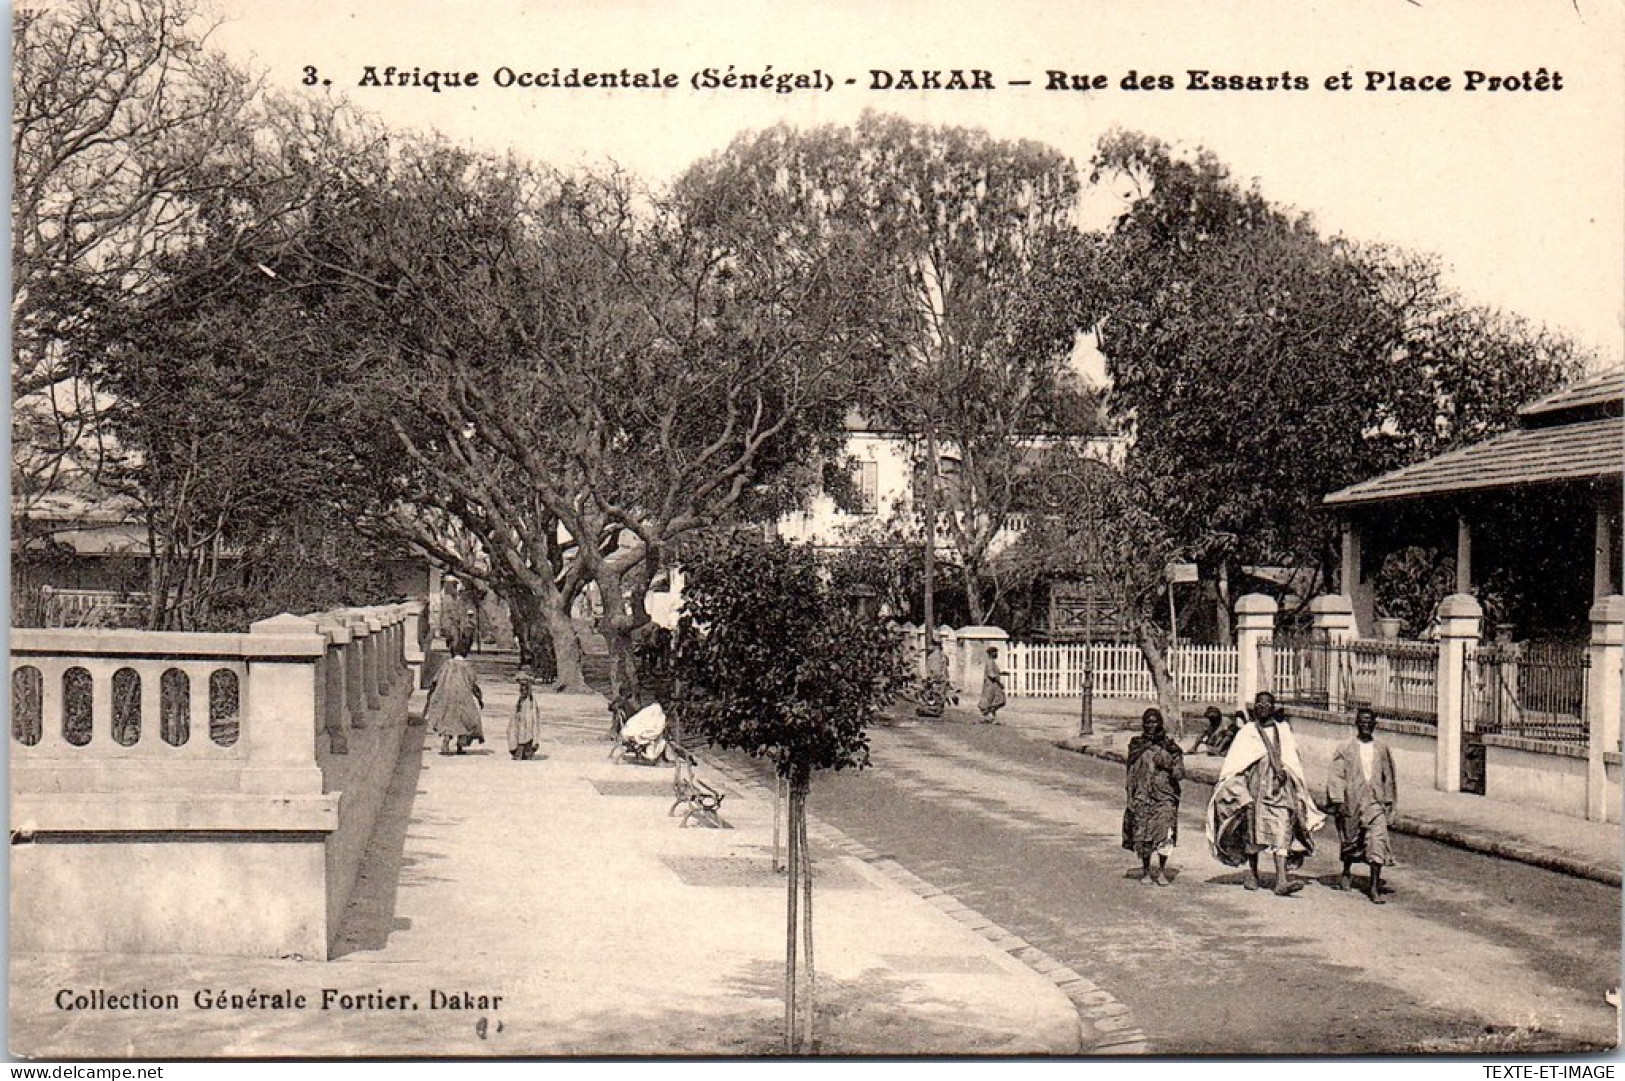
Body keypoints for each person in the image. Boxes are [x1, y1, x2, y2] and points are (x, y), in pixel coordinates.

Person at [1206, 692, 1326, 896]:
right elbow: (1235, 765)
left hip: (1280, 789)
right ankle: (1252, 873)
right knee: (1253, 831)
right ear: (1255, 708)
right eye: (1259, 704)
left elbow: (1293, 761)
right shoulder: (1247, 733)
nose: (1262, 707)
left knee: (1283, 828)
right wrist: (1240, 792)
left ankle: (1281, 880)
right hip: (1254, 788)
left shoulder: (1283, 731)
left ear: (1273, 707)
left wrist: (1287, 776)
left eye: (1267, 704)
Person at [1327, 707, 1398, 904]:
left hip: (1375, 802)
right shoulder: (1346, 747)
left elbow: (1388, 777)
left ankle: (1374, 887)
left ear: (1375, 724)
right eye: (1362, 721)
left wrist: (1389, 802)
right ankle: (1347, 870)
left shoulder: (1381, 748)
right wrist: (1338, 800)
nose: (1366, 725)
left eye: (1369, 721)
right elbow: (1336, 775)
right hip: (1352, 800)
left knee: (1378, 841)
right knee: (1351, 839)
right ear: (1356, 723)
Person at [1123, 708, 1185, 886]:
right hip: (1142, 796)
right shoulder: (1136, 746)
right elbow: (1130, 773)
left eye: (1154, 722)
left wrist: (1167, 763)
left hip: (1165, 796)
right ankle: (1146, 870)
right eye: (1148, 722)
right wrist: (1130, 797)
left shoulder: (1170, 747)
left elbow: (1180, 773)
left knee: (1164, 833)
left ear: (1160, 724)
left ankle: (1163, 870)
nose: (1151, 726)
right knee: (1143, 835)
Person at [426, 646, 485, 755]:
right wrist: (479, 698)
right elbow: (473, 684)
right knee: (464, 720)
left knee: (448, 719)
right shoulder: (467, 666)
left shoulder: (446, 665)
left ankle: (446, 741)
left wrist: (431, 695)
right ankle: (460, 746)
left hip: (447, 696)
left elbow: (435, 681)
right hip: (463, 696)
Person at [508, 668, 542, 761]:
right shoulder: (518, 701)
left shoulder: (532, 702)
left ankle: (527, 751)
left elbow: (534, 720)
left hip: (528, 726)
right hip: (520, 726)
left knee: (526, 735)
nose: (523, 689)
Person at [978, 646, 1006, 724]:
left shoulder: (992, 662)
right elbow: (991, 674)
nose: (997, 654)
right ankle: (987, 717)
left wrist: (1001, 673)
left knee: (996, 700)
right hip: (991, 685)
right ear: (991, 653)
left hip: (993, 685)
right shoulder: (990, 662)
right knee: (994, 700)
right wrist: (1000, 683)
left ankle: (991, 717)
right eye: (995, 652)